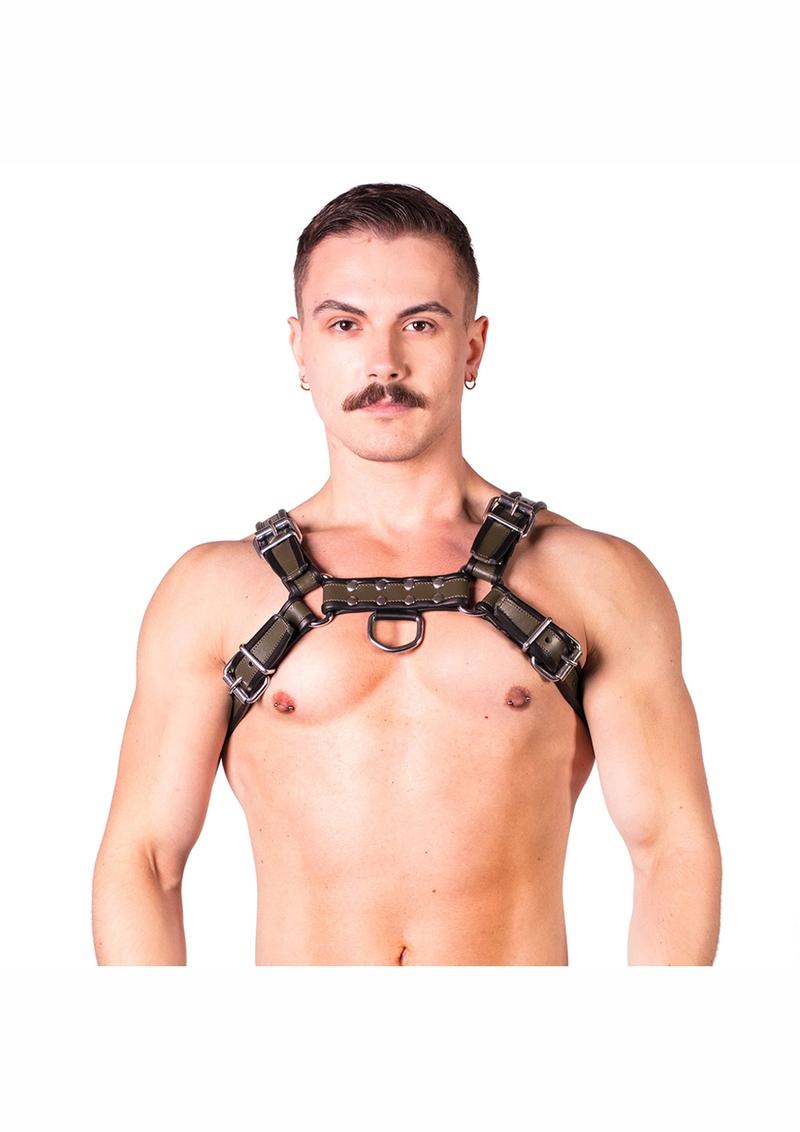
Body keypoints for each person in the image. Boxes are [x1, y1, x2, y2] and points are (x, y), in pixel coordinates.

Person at [92, 182, 722, 965]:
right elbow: (145, 860)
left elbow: (671, 848)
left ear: (472, 347)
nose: (383, 362)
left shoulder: (595, 580)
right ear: (300, 348)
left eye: (419, 323)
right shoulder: (212, 595)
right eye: (345, 324)